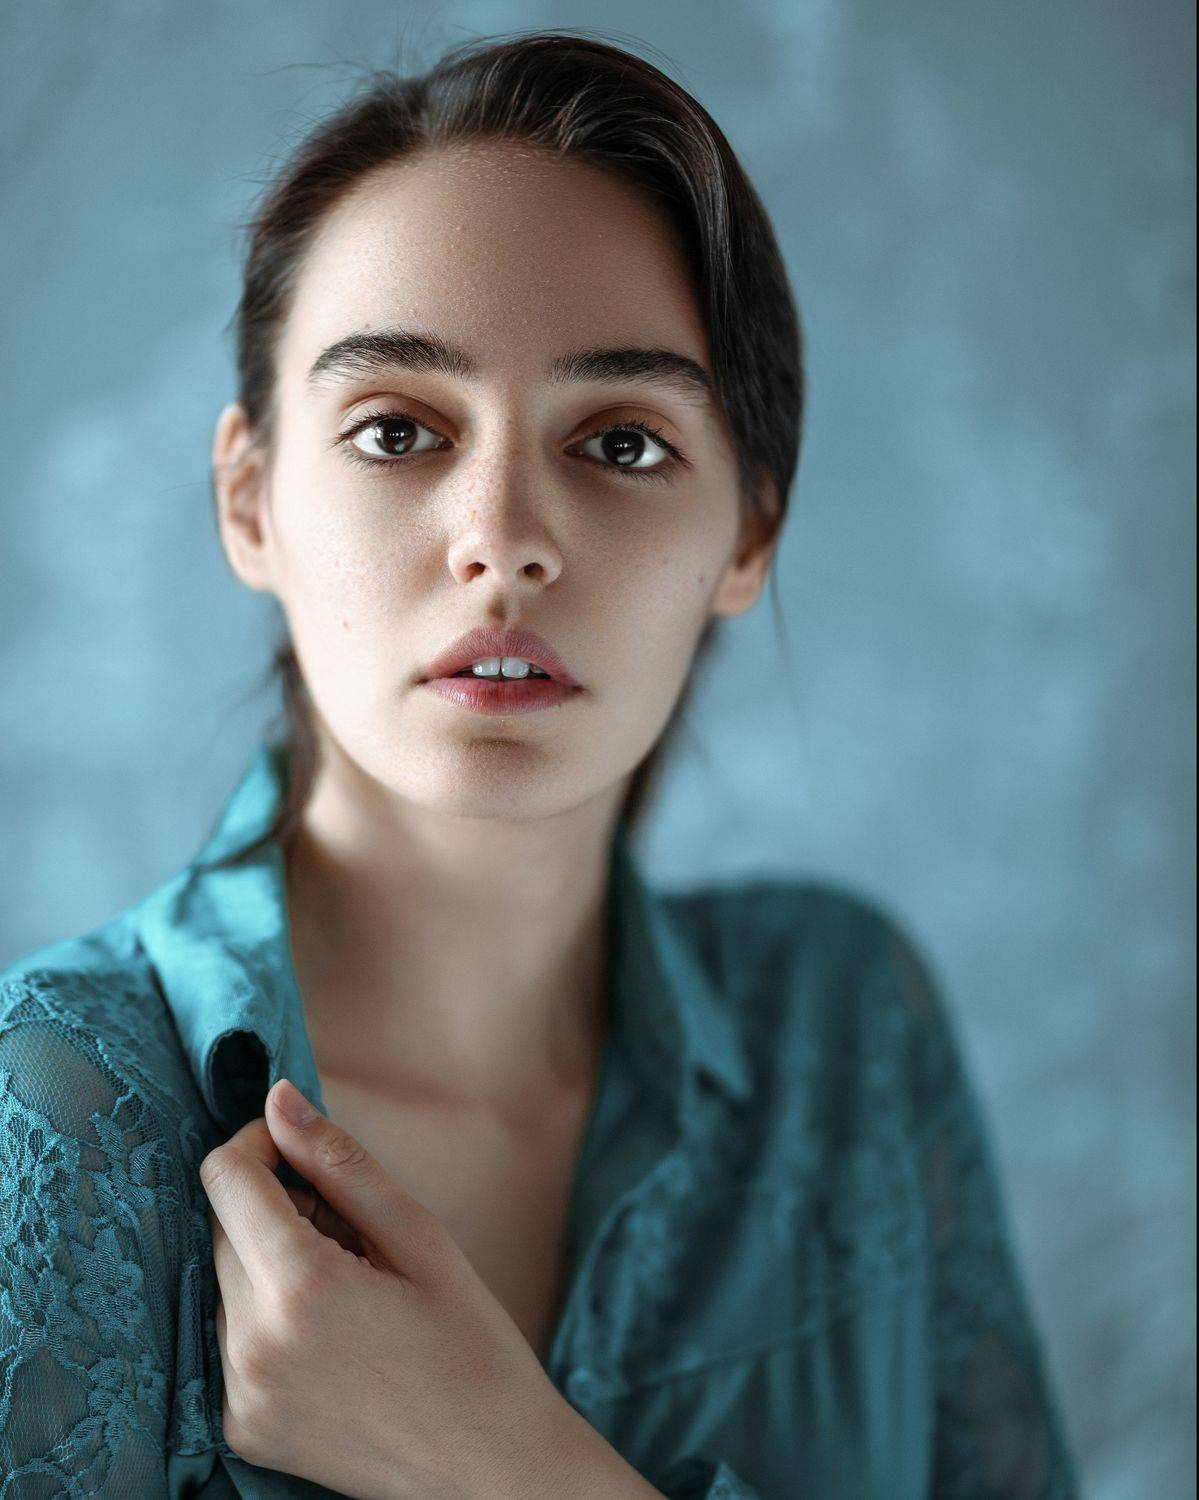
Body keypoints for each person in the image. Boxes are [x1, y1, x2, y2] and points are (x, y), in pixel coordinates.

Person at [0, 29, 1079, 1499]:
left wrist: (504, 1465)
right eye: (397, 429)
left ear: (749, 534)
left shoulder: (850, 1031)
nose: (503, 535)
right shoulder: (51, 1111)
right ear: (249, 501)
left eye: (622, 443)